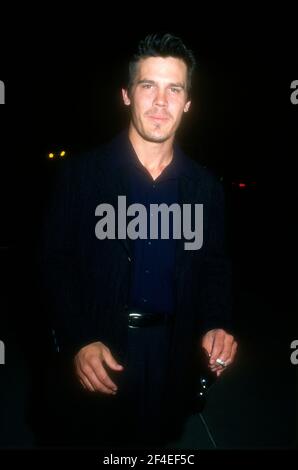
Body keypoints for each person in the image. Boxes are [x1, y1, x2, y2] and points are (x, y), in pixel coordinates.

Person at [39, 32, 237, 449]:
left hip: (174, 357)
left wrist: (216, 323)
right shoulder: (80, 176)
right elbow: (53, 261)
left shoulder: (206, 188)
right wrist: (77, 338)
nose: (161, 102)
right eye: (148, 86)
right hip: (101, 350)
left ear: (188, 103)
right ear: (127, 95)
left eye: (174, 89)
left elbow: (215, 264)